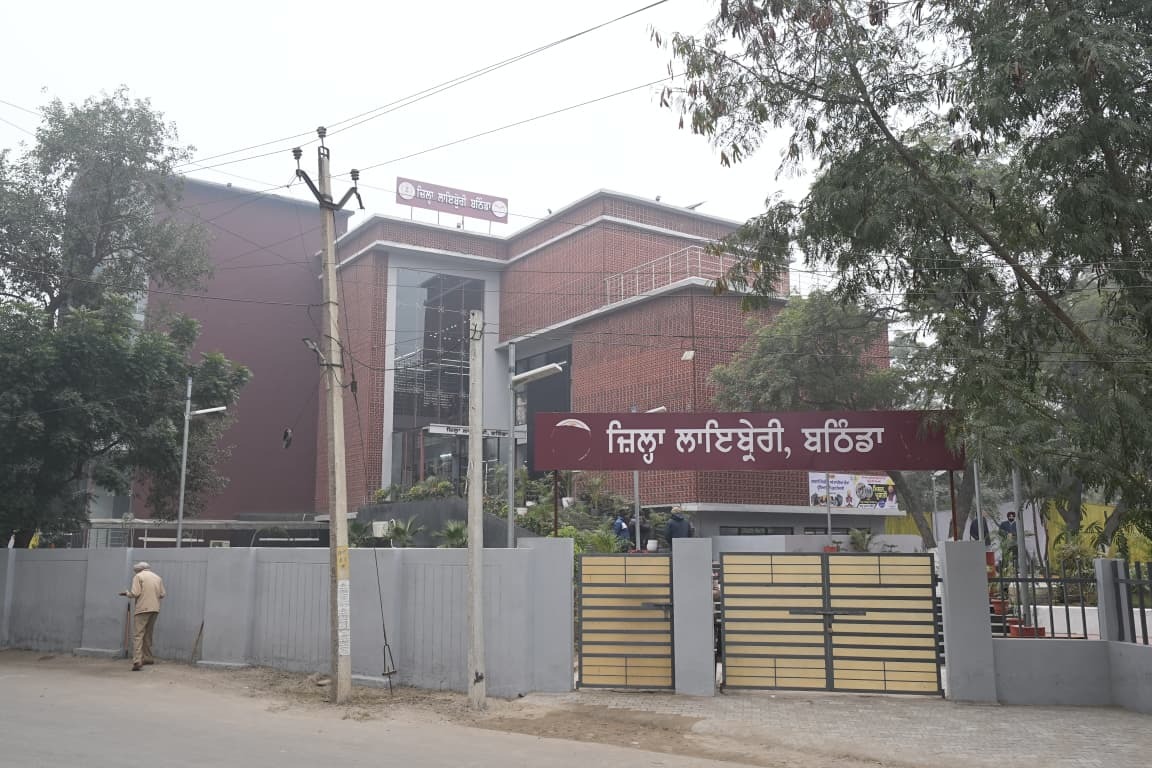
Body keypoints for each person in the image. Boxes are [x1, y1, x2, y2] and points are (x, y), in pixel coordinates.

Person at [120, 562, 165, 671]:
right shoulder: (157, 577)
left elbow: (135, 593)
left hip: (142, 609)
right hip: (155, 609)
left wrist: (127, 593)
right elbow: (162, 594)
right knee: (148, 634)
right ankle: (148, 658)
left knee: (138, 635)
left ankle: (137, 660)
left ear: (138, 570)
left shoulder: (138, 576)